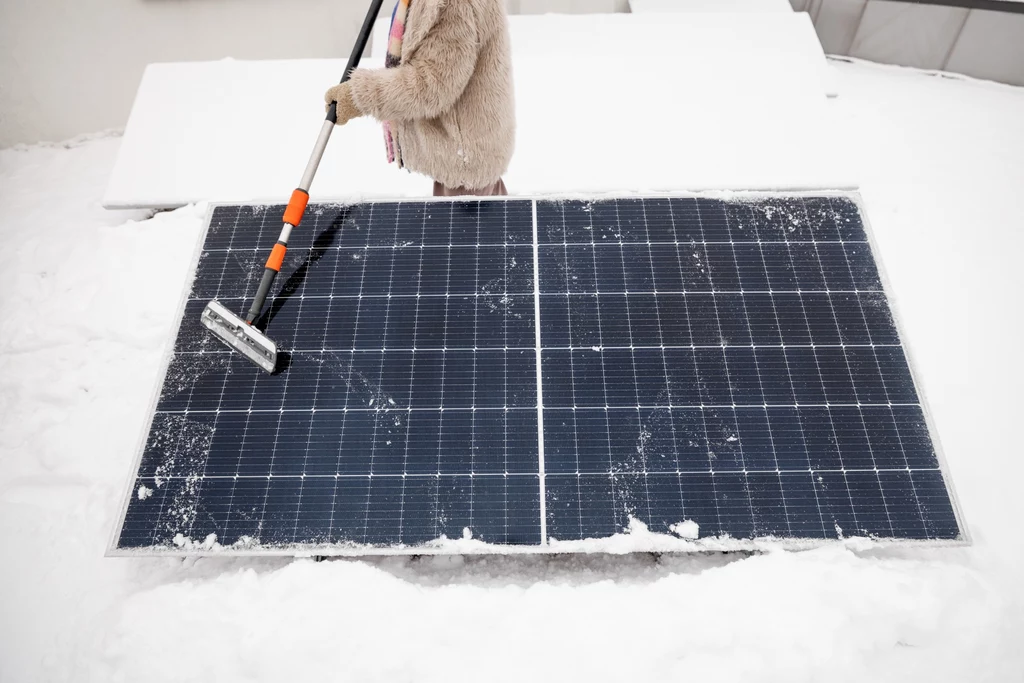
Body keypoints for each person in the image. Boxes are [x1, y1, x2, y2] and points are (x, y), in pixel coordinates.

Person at [325, 0, 515, 197]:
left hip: (464, 157)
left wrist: (359, 95)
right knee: (493, 222)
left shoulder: (453, 4)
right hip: (466, 145)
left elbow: (433, 84)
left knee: (465, 227)